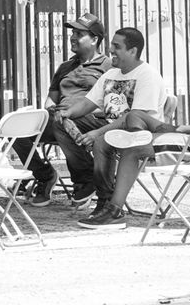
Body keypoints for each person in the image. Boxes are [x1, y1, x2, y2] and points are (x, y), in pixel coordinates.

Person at [55, 27, 167, 229]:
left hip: (139, 134)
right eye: (112, 45)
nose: (110, 49)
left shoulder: (147, 75)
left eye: (117, 46)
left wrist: (97, 132)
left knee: (102, 140)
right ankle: (90, 181)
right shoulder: (112, 73)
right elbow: (89, 103)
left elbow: (133, 118)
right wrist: (68, 113)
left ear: (132, 51)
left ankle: (107, 204)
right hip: (111, 127)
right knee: (59, 123)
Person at [105, 22, 190, 162]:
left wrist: (185, 128)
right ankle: (136, 137)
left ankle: (132, 143)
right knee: (135, 115)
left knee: (136, 146)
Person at [13, 12, 111, 207]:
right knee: (16, 131)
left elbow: (110, 103)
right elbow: (51, 99)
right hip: (59, 118)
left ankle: (85, 178)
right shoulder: (65, 67)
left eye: (79, 34)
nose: (72, 37)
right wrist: (50, 110)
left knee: (62, 123)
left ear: (94, 39)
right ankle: (45, 175)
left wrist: (70, 113)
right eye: (72, 33)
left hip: (90, 119)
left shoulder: (108, 66)